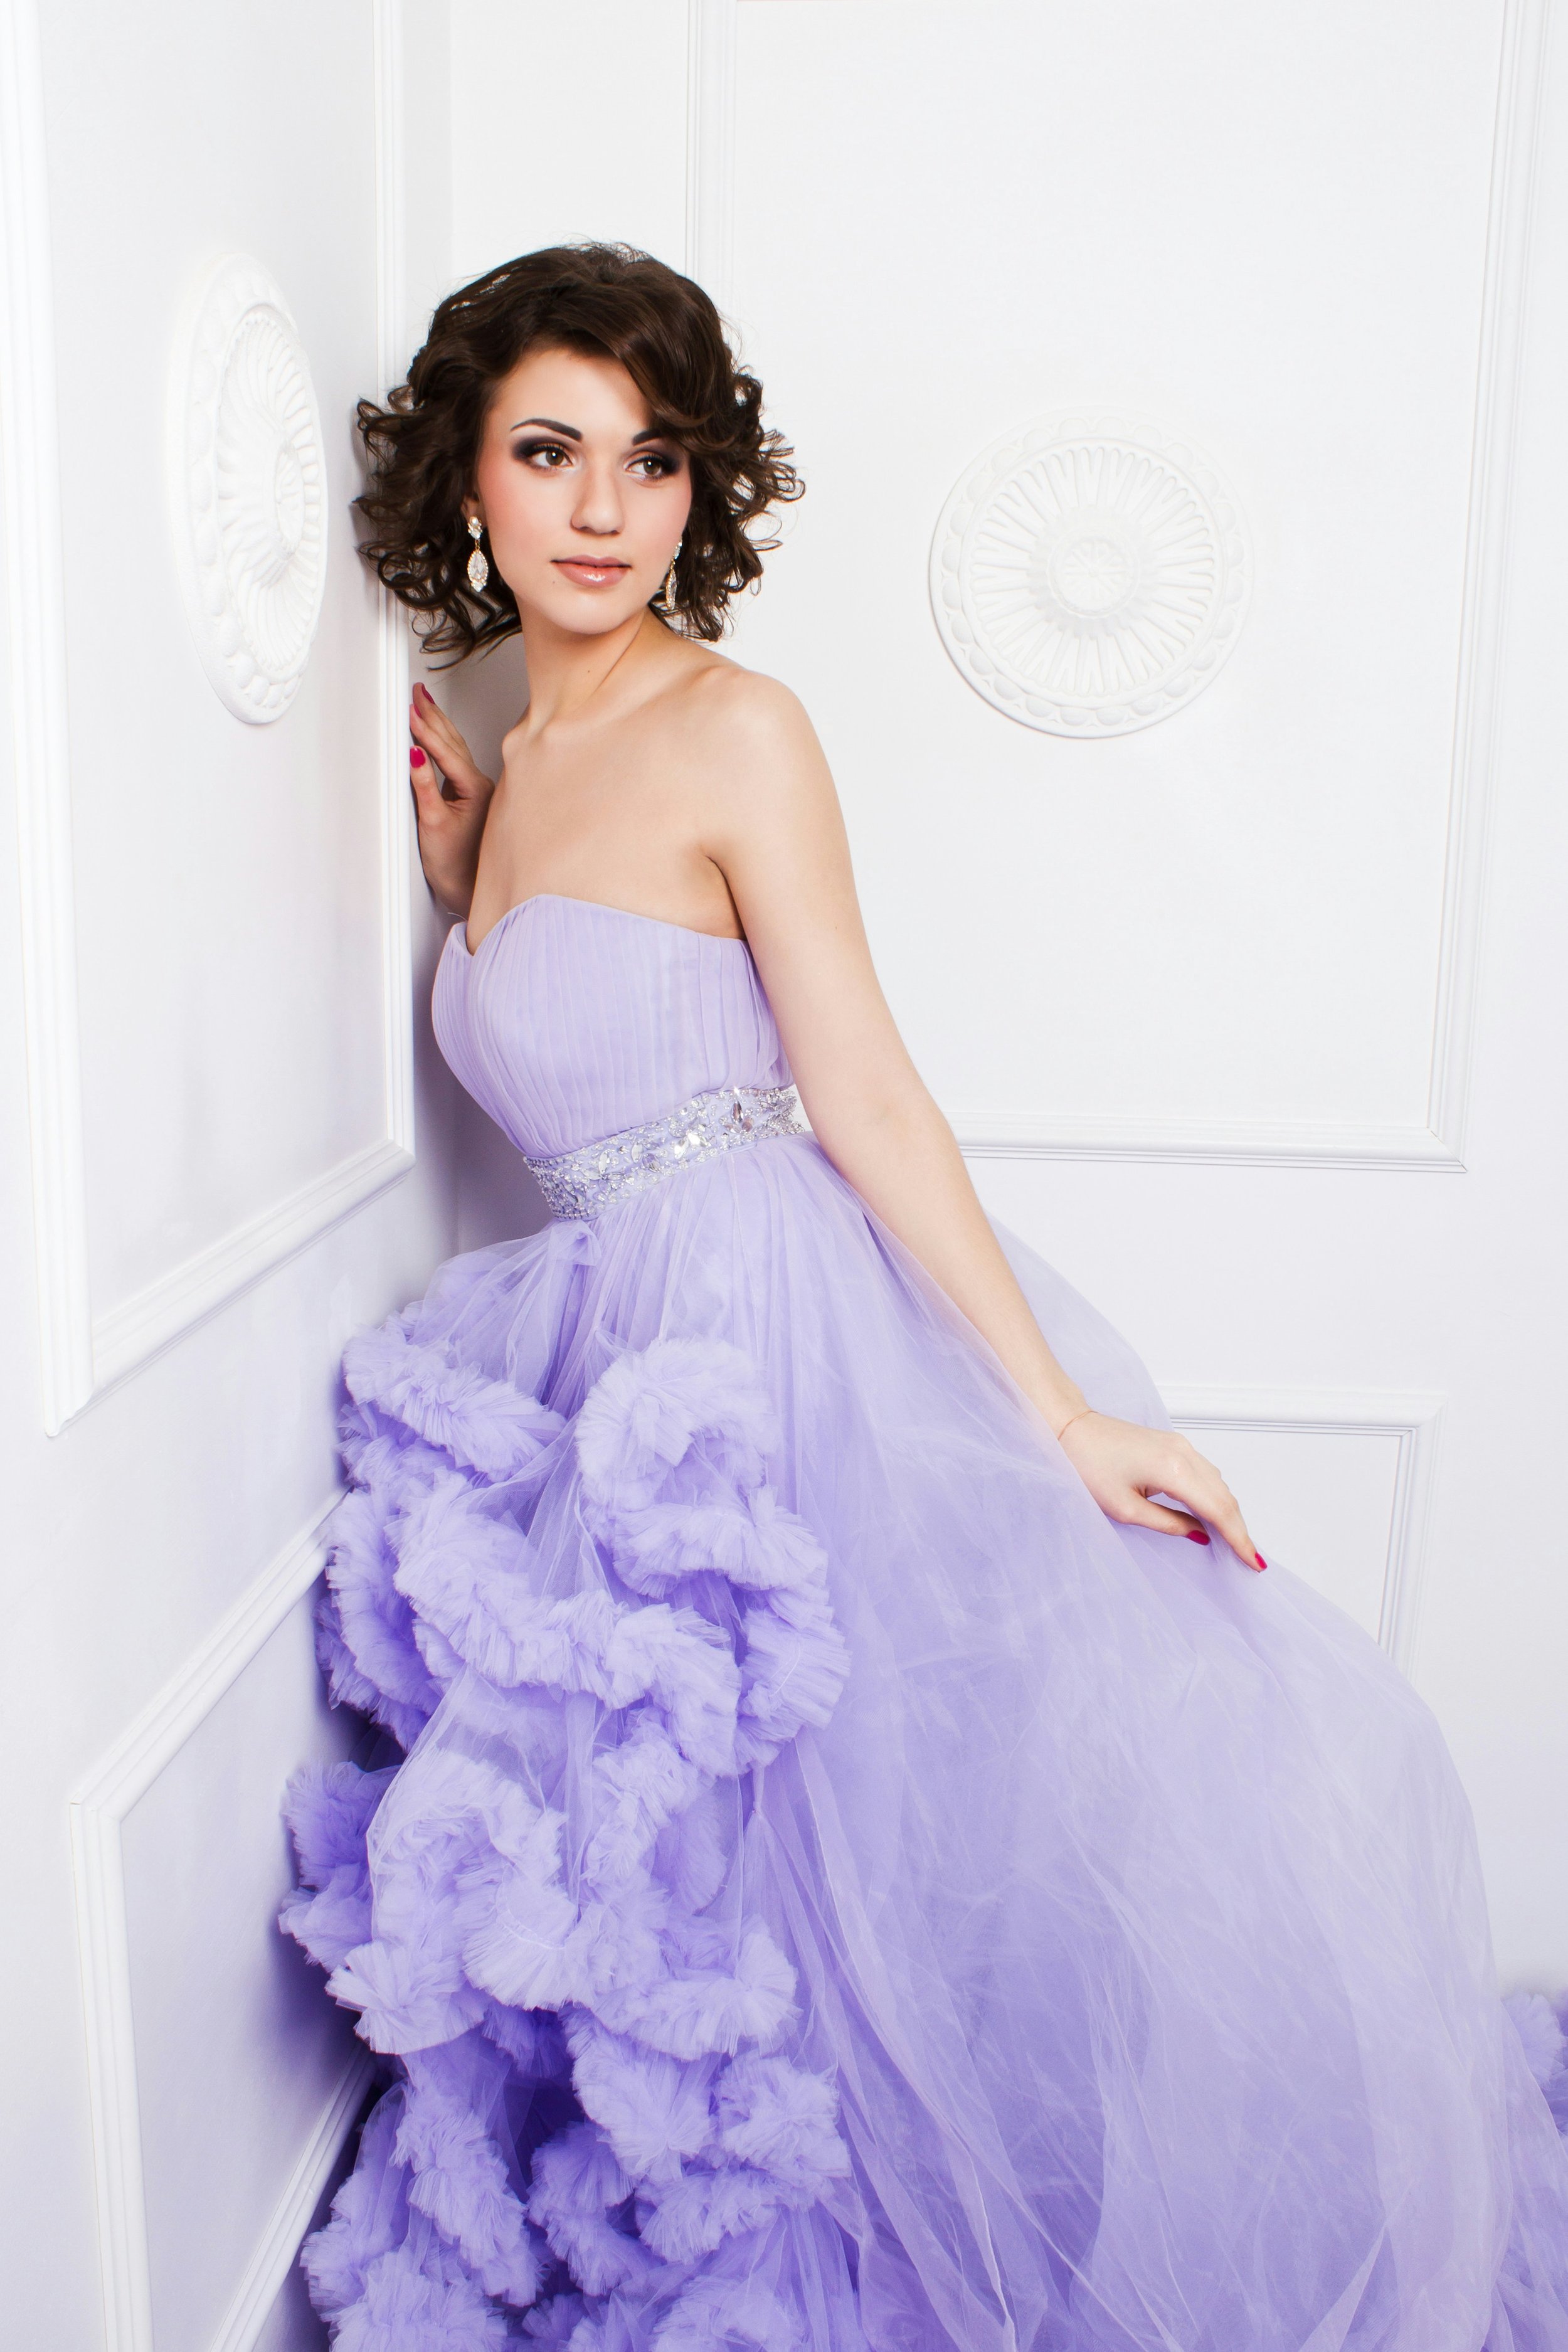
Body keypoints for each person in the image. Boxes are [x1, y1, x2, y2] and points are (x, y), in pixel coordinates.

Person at [279, 243, 1568, 2352]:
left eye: (653, 459)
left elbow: (858, 1084)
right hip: (618, 1363)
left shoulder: (736, 728)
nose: (604, 507)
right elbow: (594, 1028)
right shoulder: (512, 760)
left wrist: (1059, 1418)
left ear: (703, 491)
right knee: (686, 1886)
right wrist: (463, 889)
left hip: (774, 1353)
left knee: (841, 1881)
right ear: (469, 482)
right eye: (549, 451)